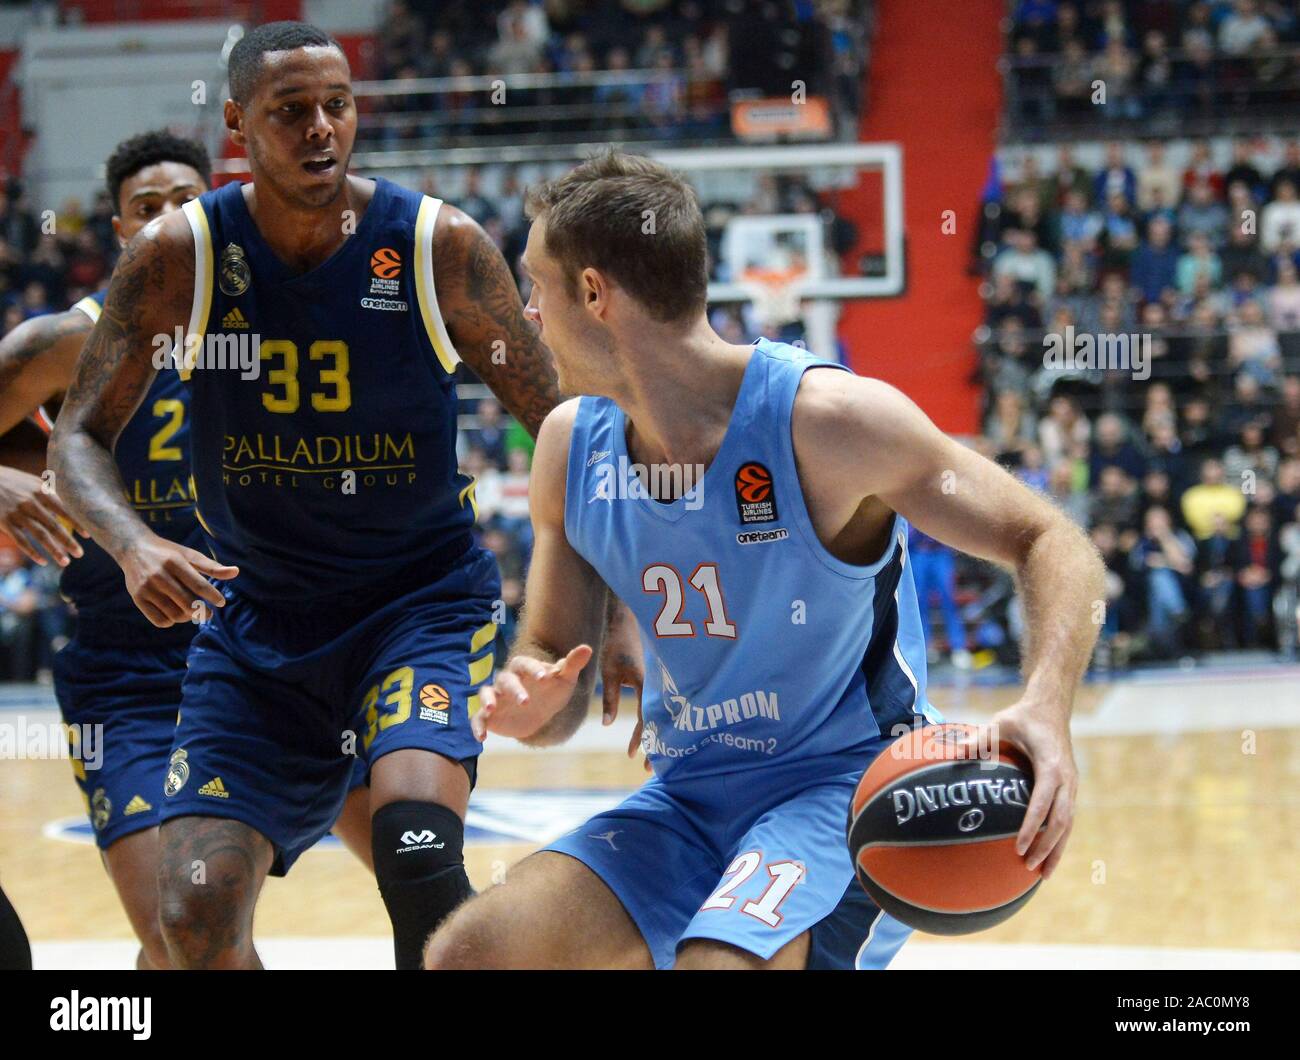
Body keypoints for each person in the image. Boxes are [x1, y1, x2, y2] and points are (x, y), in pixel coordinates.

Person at [49, 22, 640, 970]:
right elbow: (77, 435)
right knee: (193, 920)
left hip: (415, 603)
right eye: (292, 112)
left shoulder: (434, 244)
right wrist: (130, 543)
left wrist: (612, 611)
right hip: (259, 620)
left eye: (338, 105)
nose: (322, 128)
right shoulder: (180, 254)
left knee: (414, 845)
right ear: (238, 124)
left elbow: (573, 426)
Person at [424, 151, 1103, 971]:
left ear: (596, 294)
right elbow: (552, 667)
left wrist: (1045, 706)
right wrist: (529, 698)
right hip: (688, 798)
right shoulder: (569, 447)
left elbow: (1048, 536)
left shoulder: (831, 422)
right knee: (470, 953)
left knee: (720, 965)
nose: (528, 314)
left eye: (539, 285)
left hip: (842, 790)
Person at [0, 133, 385, 970]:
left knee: (420, 865)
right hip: (130, 670)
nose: (170, 217)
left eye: (186, 199)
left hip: (283, 647)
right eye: (148, 207)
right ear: (118, 228)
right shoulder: (66, 342)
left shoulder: (287, 322)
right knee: (177, 941)